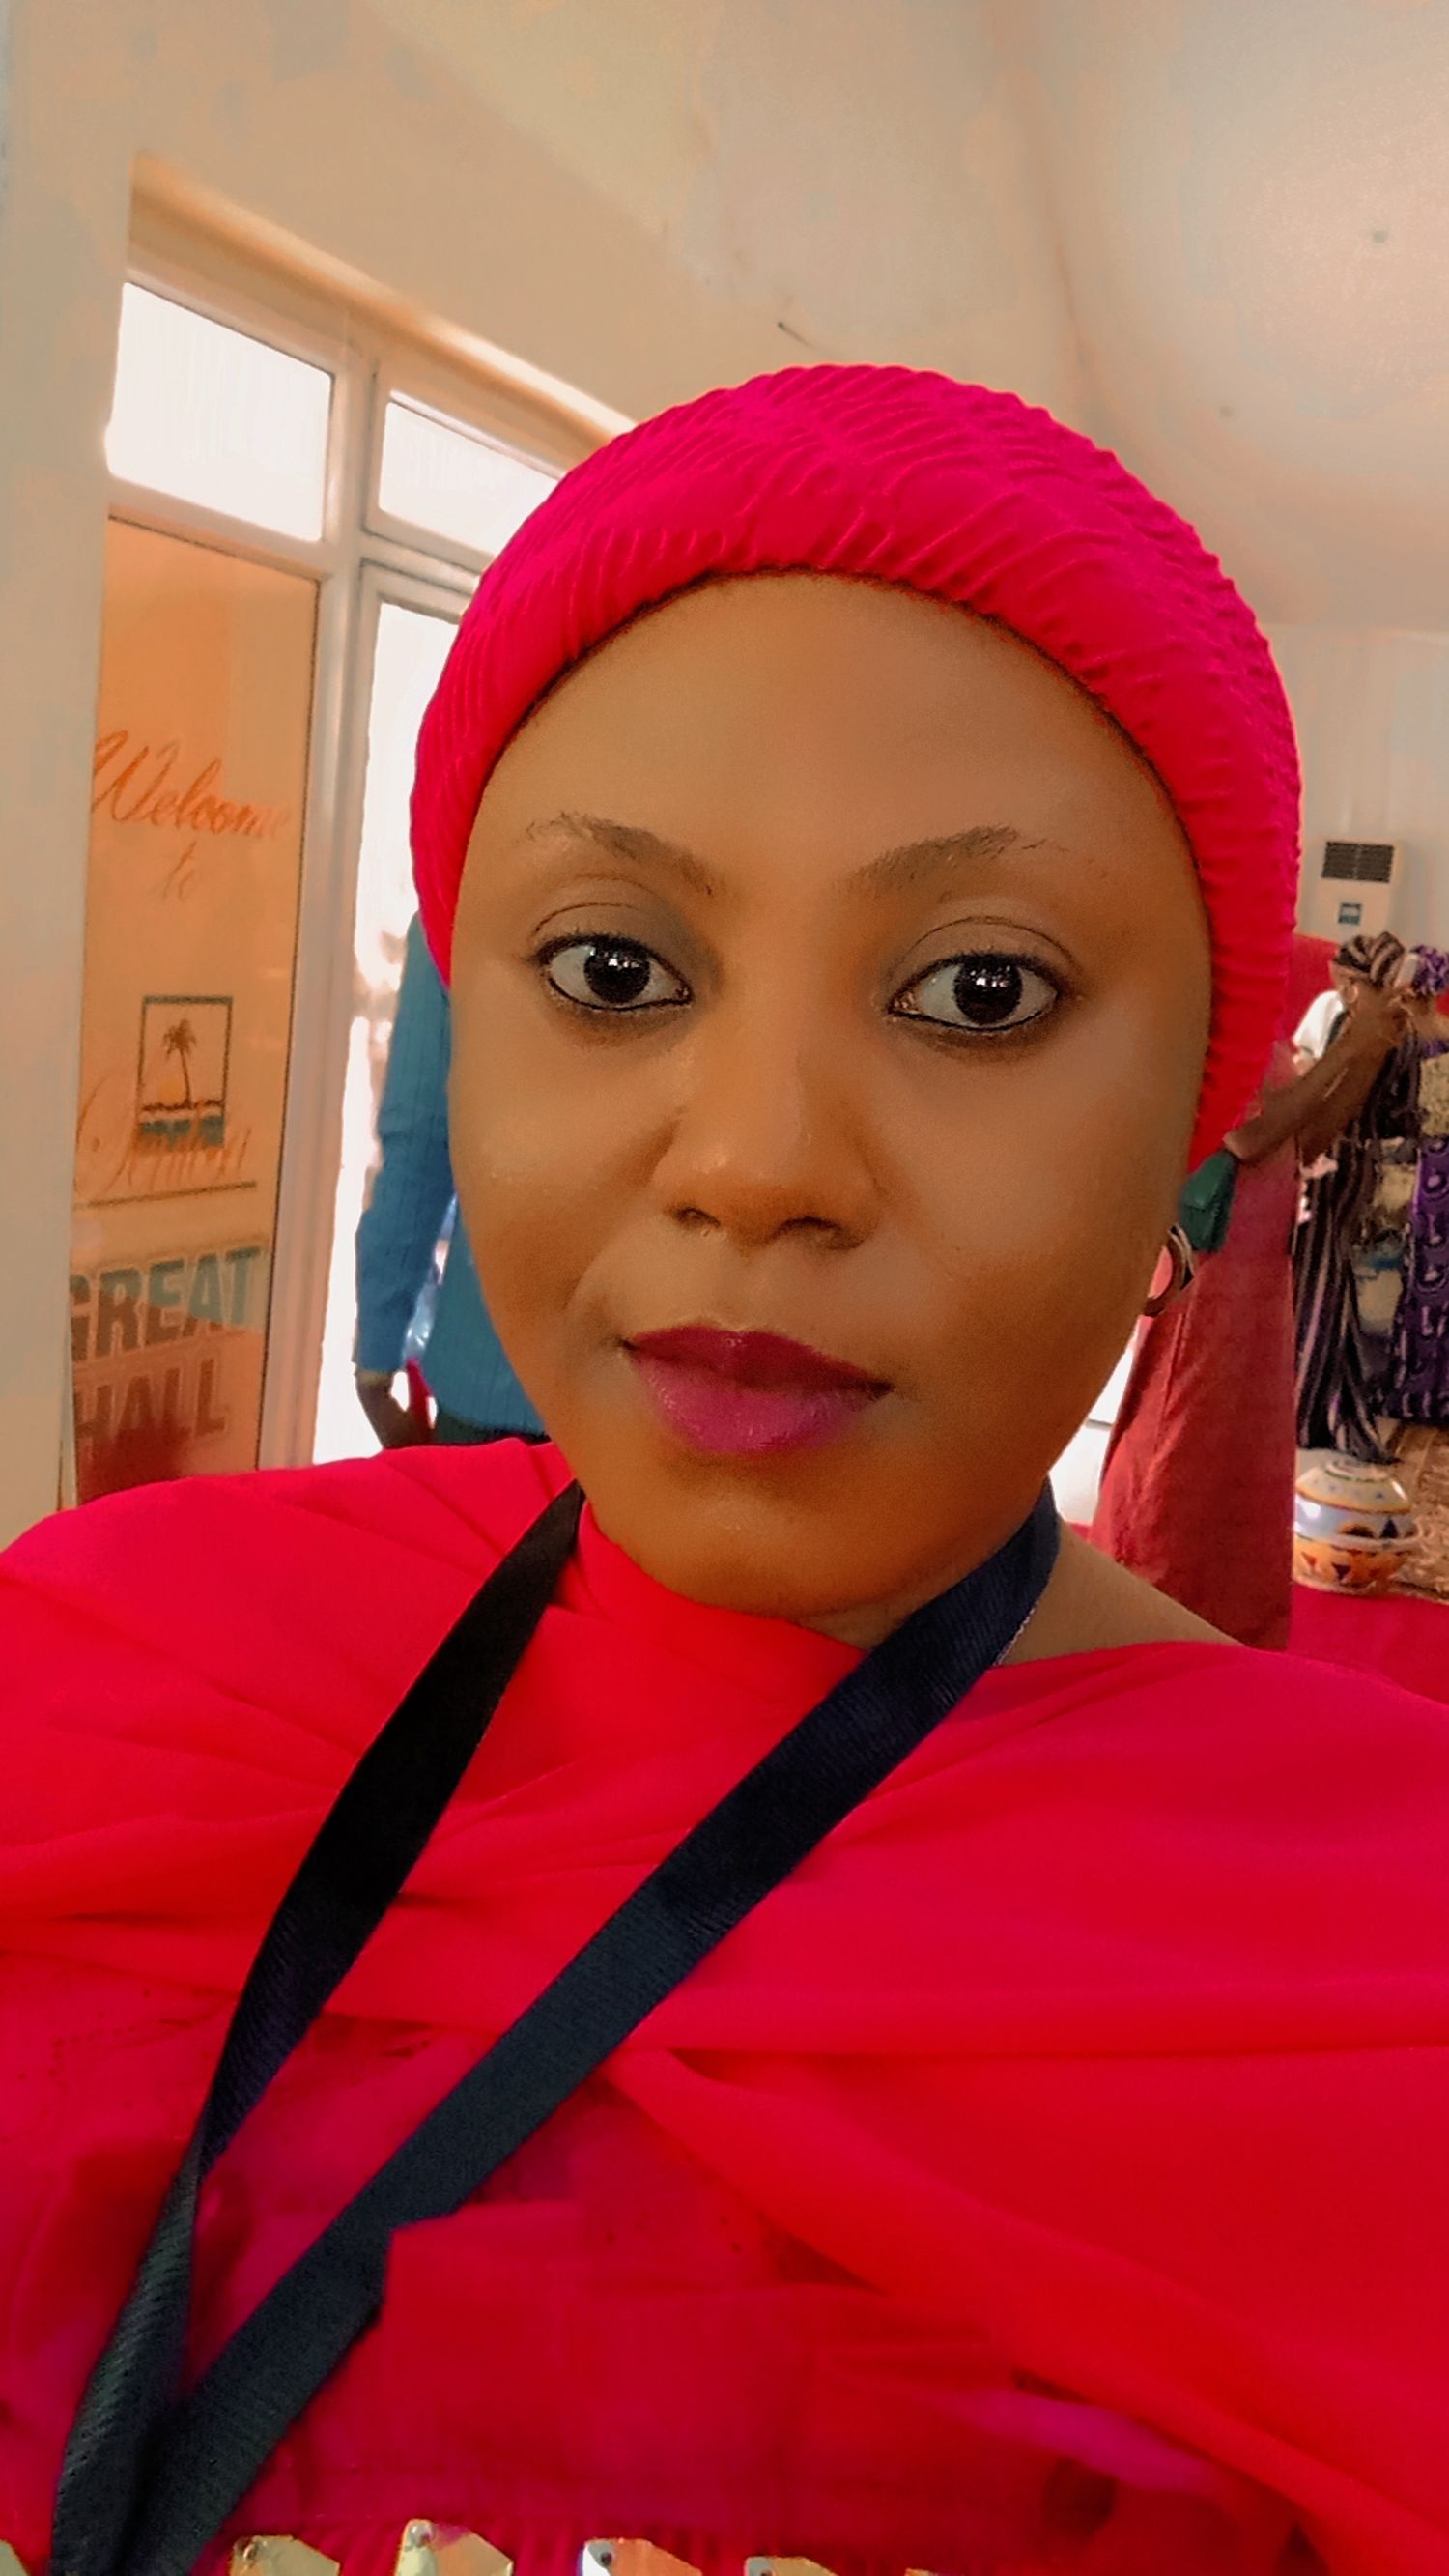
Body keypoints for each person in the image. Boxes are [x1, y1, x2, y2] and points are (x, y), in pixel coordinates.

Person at [5, 368, 1449, 2576]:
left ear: (1202, 1100)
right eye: (613, 967)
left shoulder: (1377, 1972)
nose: (761, 1159)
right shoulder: (105, 1670)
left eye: (980, 991)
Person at [1090, 960, 1408, 1647]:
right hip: (1209, 1267)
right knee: (1178, 1440)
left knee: (1237, 1456)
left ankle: (1219, 1620)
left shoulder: (1267, 1041)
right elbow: (1247, 1138)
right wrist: (1347, 1048)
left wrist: (1369, 1051)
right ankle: (1144, 1607)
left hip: (1259, 1268)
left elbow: (1299, 1145)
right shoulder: (1212, 1030)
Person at [354, 912, 543, 1448]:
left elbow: (420, 1145)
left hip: (494, 1378)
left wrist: (378, 1360)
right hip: (685, 1398)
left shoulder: (460, 904)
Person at [1293, 930, 1422, 1456]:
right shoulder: (1404, 1031)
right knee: (1334, 1285)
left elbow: (1315, 1091)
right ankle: (1320, 1390)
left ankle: (1302, 1401)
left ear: (1353, 981)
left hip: (1329, 1161)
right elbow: (1406, 1117)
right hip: (1363, 1166)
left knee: (1314, 1286)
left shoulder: (1357, 1027)